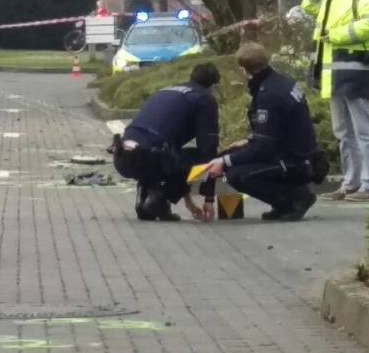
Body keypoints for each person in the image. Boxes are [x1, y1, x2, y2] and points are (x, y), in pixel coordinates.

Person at [203, 43, 325, 222]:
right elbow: (280, 127)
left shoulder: (269, 95)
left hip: (295, 160)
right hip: (300, 152)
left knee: (236, 174)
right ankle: (284, 202)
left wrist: (223, 161)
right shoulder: (281, 81)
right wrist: (247, 141)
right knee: (232, 156)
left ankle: (295, 198)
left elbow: (263, 148)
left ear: (244, 70)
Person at [302, 0, 369, 202]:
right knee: (343, 132)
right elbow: (308, 6)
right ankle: (351, 183)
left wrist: (336, 35)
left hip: (356, 68)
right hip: (334, 73)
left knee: (363, 129)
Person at [112, 63, 221, 222]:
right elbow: (208, 151)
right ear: (213, 86)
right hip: (149, 158)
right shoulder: (204, 99)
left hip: (122, 156)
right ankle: (159, 199)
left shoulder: (167, 90)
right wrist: (209, 199)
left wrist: (189, 204)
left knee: (166, 151)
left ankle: (146, 199)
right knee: (200, 157)